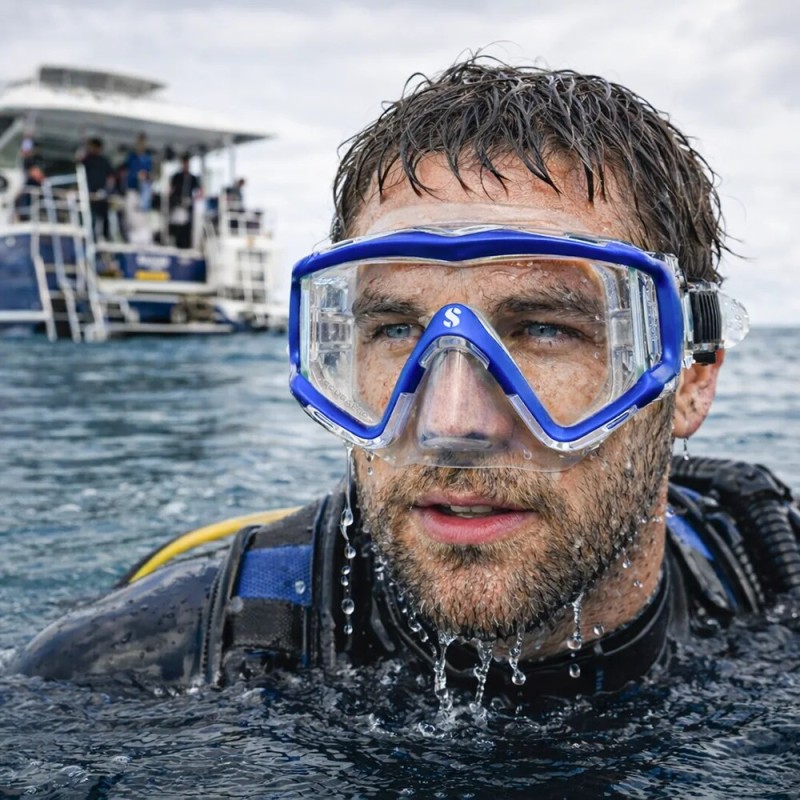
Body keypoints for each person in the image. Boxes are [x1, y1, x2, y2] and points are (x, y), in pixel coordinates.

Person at [11, 56, 800, 704]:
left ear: (692, 377)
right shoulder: (131, 675)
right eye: (394, 329)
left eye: (545, 328)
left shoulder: (770, 575)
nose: (450, 420)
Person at [80, 137, 114, 241]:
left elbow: (111, 177)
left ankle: (106, 237)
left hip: (101, 195)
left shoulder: (104, 161)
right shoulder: (86, 160)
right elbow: (79, 171)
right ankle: (91, 238)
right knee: (91, 218)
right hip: (89, 195)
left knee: (104, 218)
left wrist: (106, 191)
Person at [168, 153, 201, 249]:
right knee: (177, 224)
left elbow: (199, 191)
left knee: (187, 226)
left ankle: (186, 244)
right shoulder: (177, 176)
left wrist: (194, 199)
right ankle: (177, 242)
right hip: (177, 204)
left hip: (188, 205)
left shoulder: (193, 178)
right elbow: (170, 189)